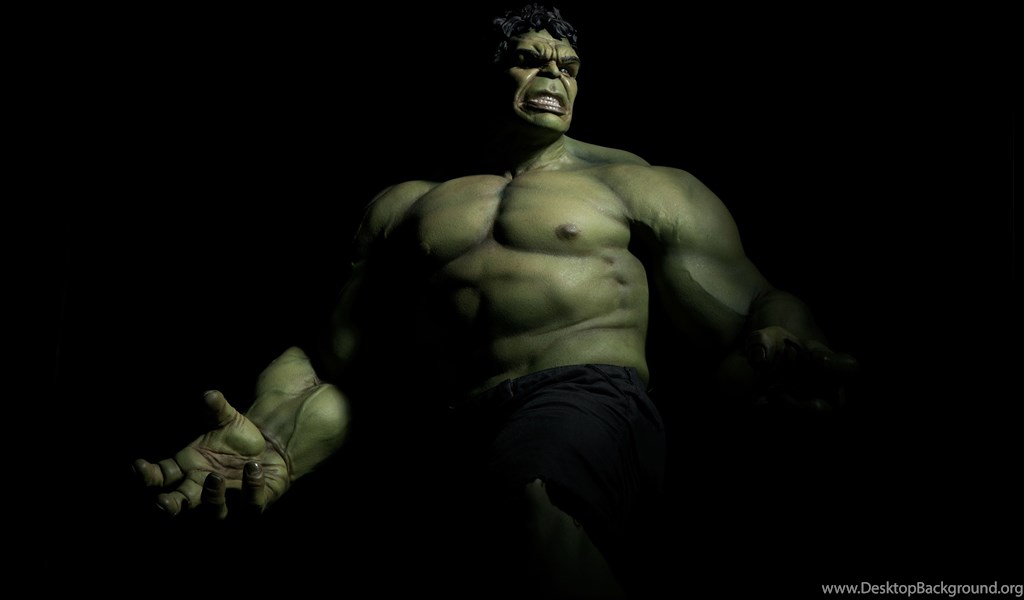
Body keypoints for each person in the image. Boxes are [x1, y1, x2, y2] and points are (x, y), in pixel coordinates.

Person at [133, 4, 857, 597]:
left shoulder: (638, 184)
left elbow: (756, 301)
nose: (554, 77)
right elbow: (335, 365)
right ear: (488, 70)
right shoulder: (406, 205)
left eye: (569, 67)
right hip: (454, 424)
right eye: (531, 60)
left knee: (534, 507)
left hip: (583, 396)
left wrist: (790, 340)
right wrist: (271, 438)